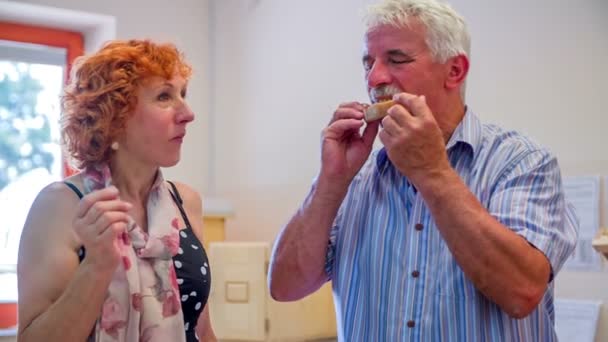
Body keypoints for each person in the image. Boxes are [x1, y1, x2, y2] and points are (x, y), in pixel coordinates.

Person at [267, 0, 579, 341]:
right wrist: (330, 181)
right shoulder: (354, 177)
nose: (375, 78)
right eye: (368, 63)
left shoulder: (522, 162)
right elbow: (284, 287)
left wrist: (431, 171)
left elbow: (521, 291)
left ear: (455, 71)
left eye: (397, 60)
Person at [17, 39, 216, 342]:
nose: (187, 113)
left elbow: (202, 330)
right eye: (164, 96)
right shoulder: (61, 205)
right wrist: (97, 264)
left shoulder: (185, 203)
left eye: (183, 94)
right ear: (114, 116)